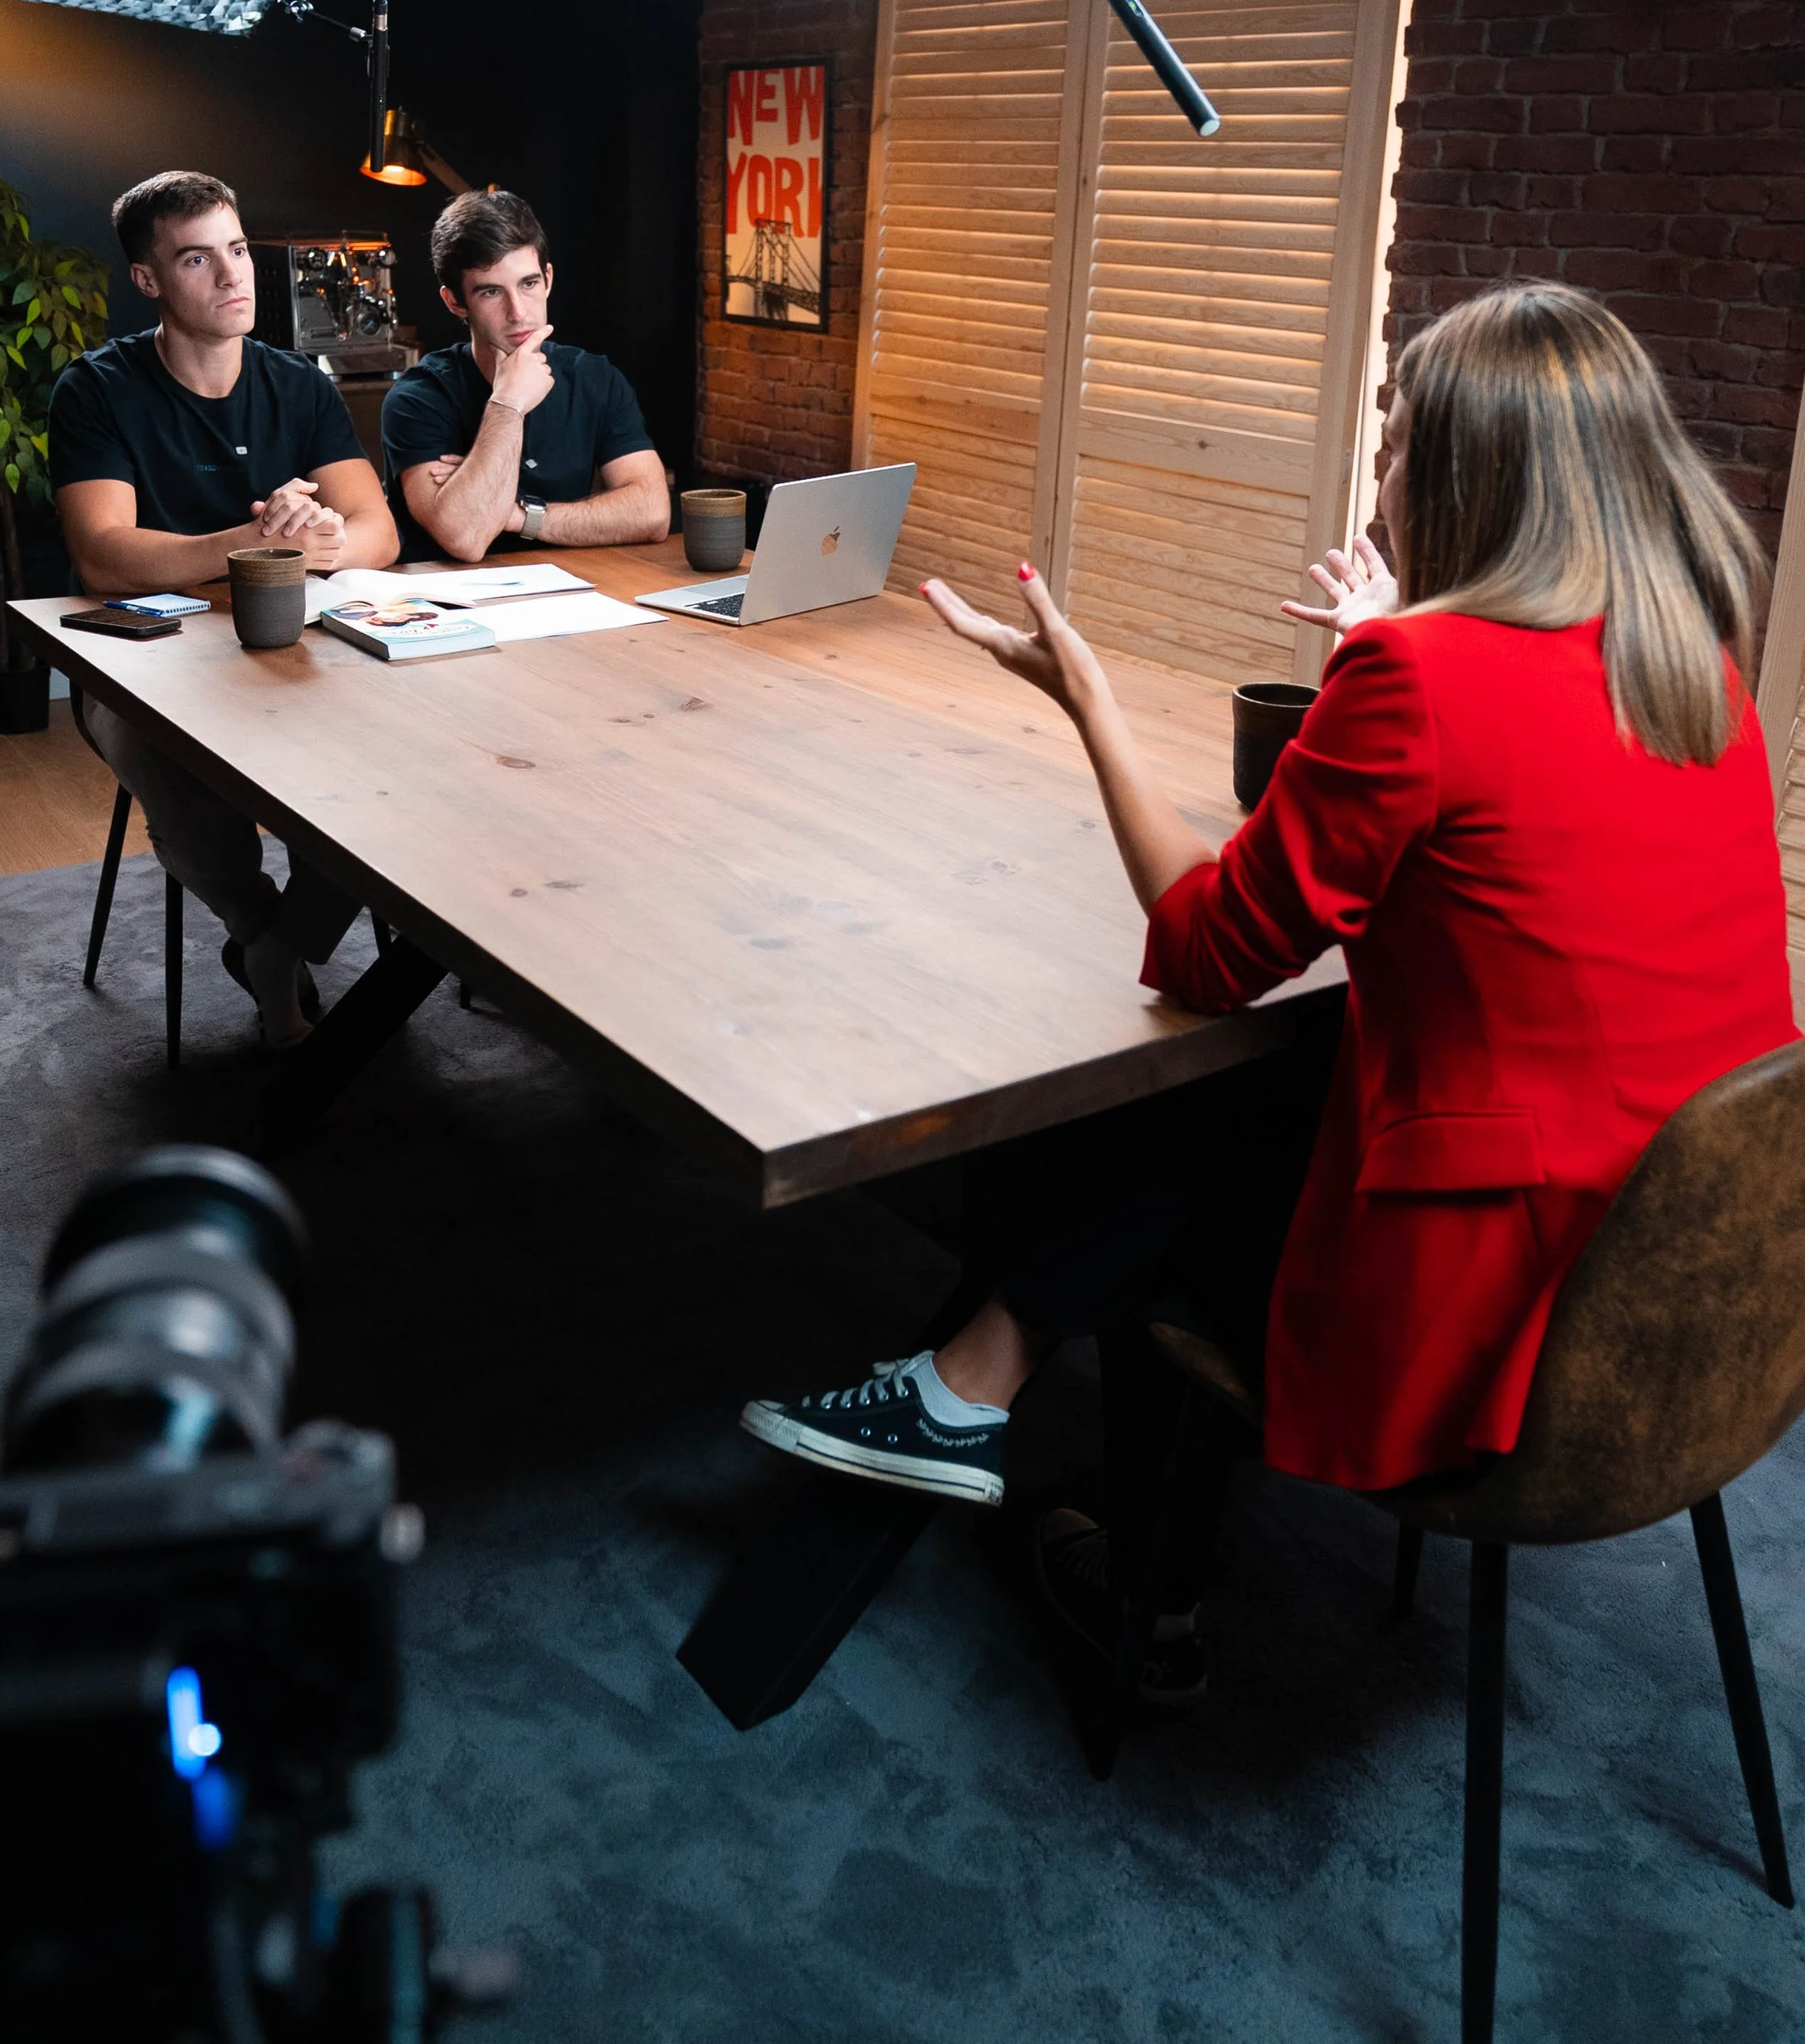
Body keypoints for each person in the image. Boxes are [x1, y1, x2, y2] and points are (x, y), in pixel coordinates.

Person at [740, 281, 1797, 1697]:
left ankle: (1128, 1569)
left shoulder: (1425, 678)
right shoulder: (1697, 673)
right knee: (1270, 1073)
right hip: (1700, 1308)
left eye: (1403, 443)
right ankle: (968, 1386)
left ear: (1476, 475)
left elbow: (1203, 947)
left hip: (1502, 1320)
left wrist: (1086, 697)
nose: (1384, 475)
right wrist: (1395, 637)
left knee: (1176, 1096)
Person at [51, 171, 400, 1048]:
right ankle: (264, 933)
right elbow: (102, 553)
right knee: (183, 776)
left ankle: (276, 950)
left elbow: (378, 531)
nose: (232, 276)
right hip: (142, 659)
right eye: (198, 259)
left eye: (237, 250)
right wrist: (253, 548)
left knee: (407, 778)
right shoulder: (95, 389)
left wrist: (321, 539)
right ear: (149, 281)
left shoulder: (299, 385)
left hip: (298, 651)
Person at [380, 189, 669, 563]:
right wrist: (508, 403)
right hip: (446, 605)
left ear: (548, 279)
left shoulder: (594, 378)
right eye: (491, 292)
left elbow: (652, 512)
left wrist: (516, 514)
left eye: (528, 284)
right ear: (454, 302)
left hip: (568, 594)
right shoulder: (418, 398)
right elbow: (466, 538)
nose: (518, 312)